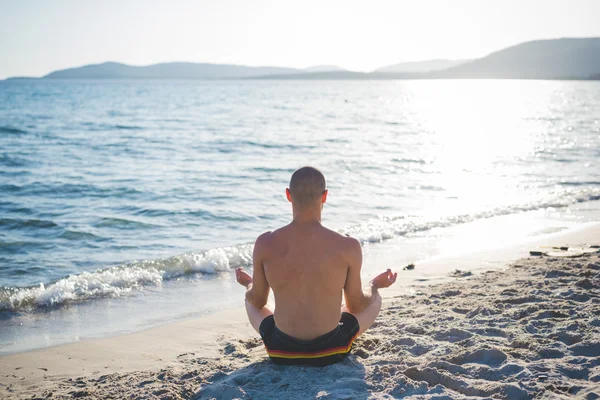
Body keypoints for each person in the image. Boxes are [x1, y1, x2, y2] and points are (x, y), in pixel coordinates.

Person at [235, 166, 397, 366]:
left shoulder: (265, 243)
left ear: (288, 195)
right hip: (331, 349)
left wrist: (248, 285)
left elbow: (258, 301)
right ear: (325, 196)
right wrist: (374, 286)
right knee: (373, 299)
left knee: (249, 299)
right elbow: (356, 305)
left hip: (281, 350)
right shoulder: (348, 245)